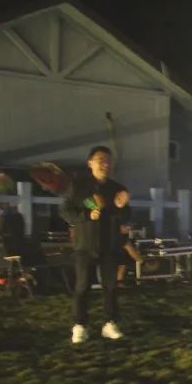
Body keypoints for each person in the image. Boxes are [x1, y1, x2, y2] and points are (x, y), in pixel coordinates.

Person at [61, 146, 129, 344]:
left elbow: (125, 217)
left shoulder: (117, 188)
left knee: (111, 286)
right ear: (90, 163)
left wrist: (121, 207)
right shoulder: (78, 187)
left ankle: (110, 323)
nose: (105, 164)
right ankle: (80, 325)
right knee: (82, 285)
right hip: (85, 244)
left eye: (108, 160)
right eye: (100, 160)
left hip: (109, 244)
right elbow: (65, 211)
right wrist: (86, 215)